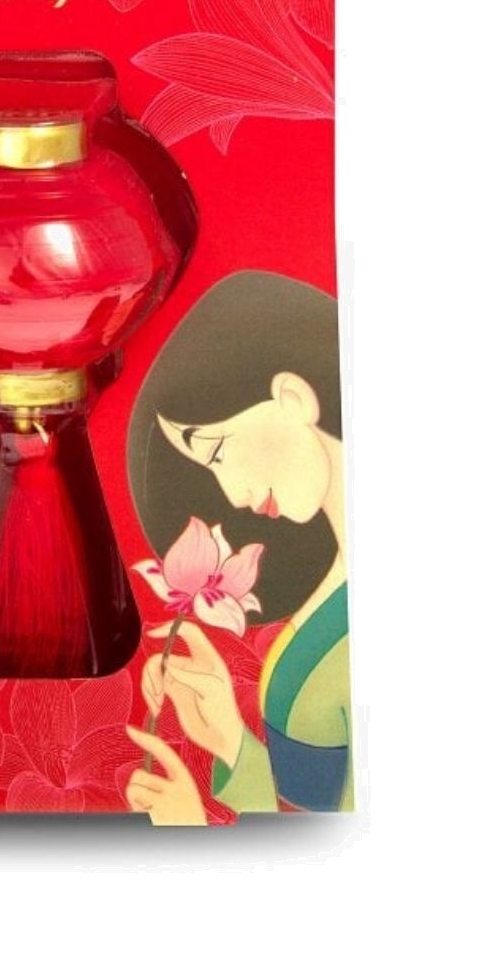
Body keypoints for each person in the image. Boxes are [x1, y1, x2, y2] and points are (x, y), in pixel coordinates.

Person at [123, 271, 351, 822]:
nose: (232, 496)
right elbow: (324, 815)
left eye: (220, 451)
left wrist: (194, 824)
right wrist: (230, 739)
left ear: (292, 397)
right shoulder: (327, 598)